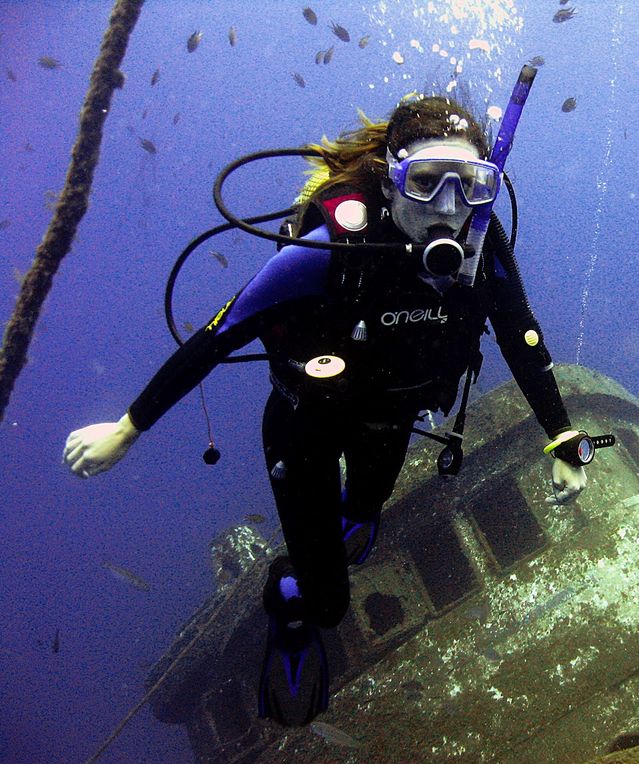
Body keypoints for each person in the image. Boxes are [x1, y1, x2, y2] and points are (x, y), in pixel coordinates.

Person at [62, 93, 591, 727]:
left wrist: (562, 436)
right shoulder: (337, 242)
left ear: (487, 184)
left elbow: (522, 337)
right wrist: (128, 427)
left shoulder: (482, 244)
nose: (448, 209)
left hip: (390, 424)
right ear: (393, 178)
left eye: (470, 185)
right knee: (330, 602)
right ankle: (289, 600)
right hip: (303, 428)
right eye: (426, 183)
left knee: (365, 514)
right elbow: (219, 333)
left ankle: (346, 522)